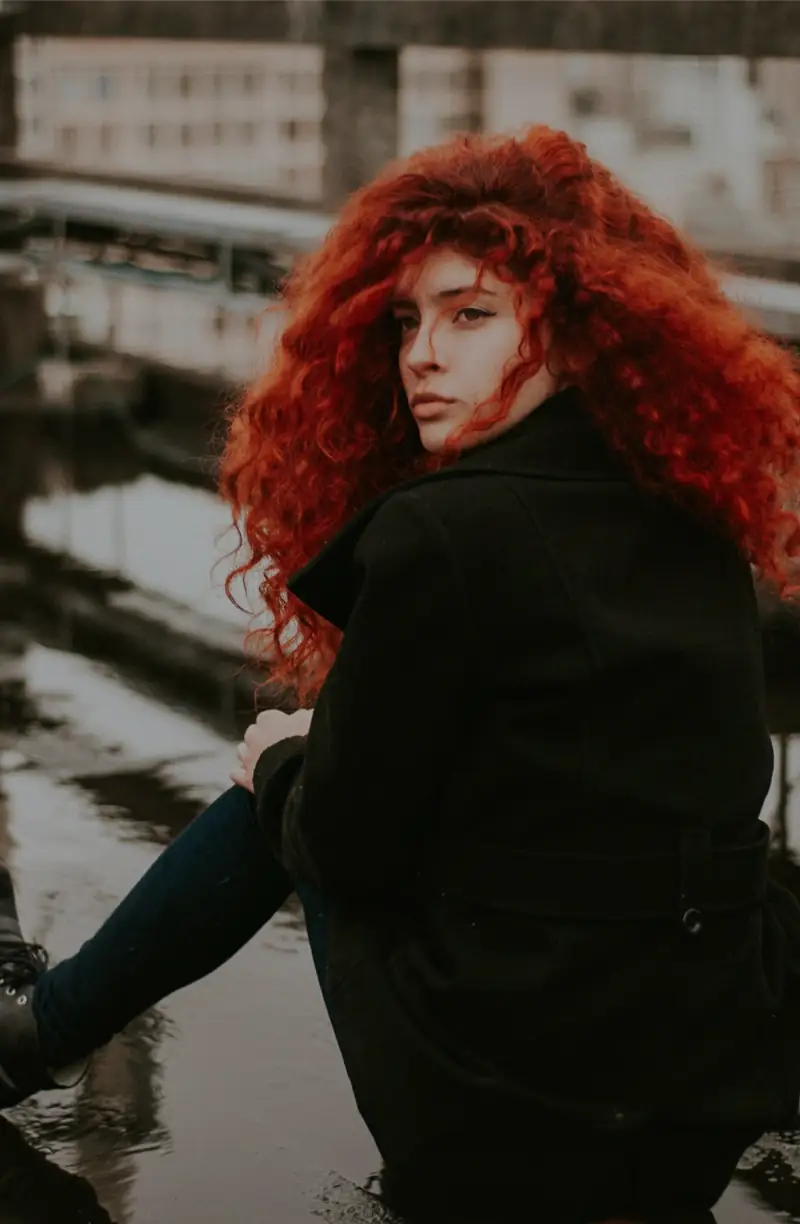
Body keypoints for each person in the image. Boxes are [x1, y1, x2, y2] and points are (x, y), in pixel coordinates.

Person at [0, 122, 798, 1223]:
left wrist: (285, 763)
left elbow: (344, 848)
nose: (419, 352)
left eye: (470, 315)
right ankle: (40, 1029)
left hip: (501, 1124)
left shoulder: (442, 534)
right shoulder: (692, 520)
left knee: (289, 769)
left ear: (573, 335)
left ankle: (39, 1036)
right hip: (696, 1101)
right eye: (406, 321)